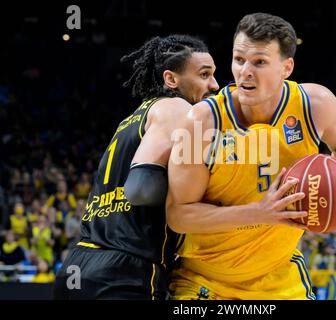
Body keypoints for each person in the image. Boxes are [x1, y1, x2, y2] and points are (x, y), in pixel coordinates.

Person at [166, 13, 336, 300]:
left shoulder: (313, 105)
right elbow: (179, 214)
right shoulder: (201, 123)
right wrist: (260, 213)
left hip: (279, 277)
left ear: (287, 67)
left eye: (259, 62)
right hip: (206, 280)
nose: (245, 71)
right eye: (238, 60)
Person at [53, 34, 218, 300]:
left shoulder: (130, 120)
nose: (215, 84)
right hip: (126, 272)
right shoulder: (177, 108)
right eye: (204, 75)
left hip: (79, 264)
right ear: (171, 80)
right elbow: (142, 189)